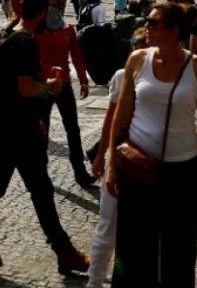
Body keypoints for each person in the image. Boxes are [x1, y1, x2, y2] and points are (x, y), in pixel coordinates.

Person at [0, 0, 90, 275]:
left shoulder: (9, 35)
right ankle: (65, 253)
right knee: (40, 190)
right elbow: (26, 88)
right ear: (42, 13)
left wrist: (37, 115)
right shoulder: (26, 42)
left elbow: (15, 86)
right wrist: (51, 86)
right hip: (18, 129)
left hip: (4, 125)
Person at [105, 2, 197, 287]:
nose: (147, 27)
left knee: (179, 250)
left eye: (154, 23)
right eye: (148, 21)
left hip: (184, 171)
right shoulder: (137, 59)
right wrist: (111, 165)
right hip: (138, 167)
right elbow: (121, 117)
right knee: (133, 247)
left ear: (174, 30)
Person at [86, 29, 149, 288]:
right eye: (140, 46)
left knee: (138, 229)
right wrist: (101, 156)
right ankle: (95, 281)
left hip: (145, 160)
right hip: (123, 157)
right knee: (108, 224)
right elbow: (110, 120)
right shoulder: (122, 76)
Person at [38, 0, 96, 188]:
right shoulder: (36, 29)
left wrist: (84, 81)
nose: (52, 9)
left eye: (55, 5)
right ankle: (41, 174)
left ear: (62, 7)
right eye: (48, 5)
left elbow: (77, 56)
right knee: (42, 130)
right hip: (43, 87)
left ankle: (80, 172)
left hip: (64, 84)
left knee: (73, 129)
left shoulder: (68, 30)